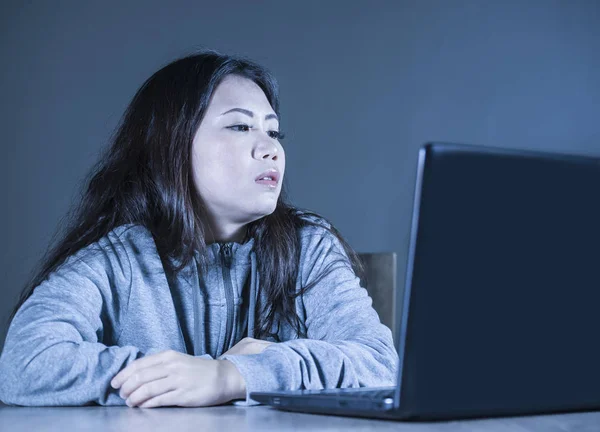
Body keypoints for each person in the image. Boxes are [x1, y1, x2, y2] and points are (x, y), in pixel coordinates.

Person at [0, 50, 398, 408]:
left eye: (273, 131)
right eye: (240, 127)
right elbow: (24, 363)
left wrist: (230, 377)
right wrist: (185, 377)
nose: (270, 148)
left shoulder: (308, 247)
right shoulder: (119, 259)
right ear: (172, 144)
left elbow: (380, 365)